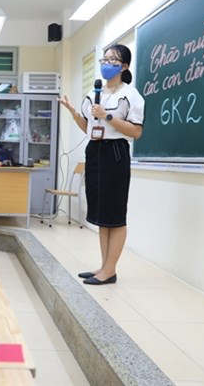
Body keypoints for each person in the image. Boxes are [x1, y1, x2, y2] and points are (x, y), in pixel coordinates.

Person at [58, 44, 144, 286]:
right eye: (104, 59)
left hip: (115, 152)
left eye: (113, 60)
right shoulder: (93, 91)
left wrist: (107, 115)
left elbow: (136, 132)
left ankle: (110, 270)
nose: (107, 64)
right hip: (94, 150)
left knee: (115, 213)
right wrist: (75, 114)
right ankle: (104, 266)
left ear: (124, 66)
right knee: (102, 212)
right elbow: (88, 127)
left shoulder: (131, 95)